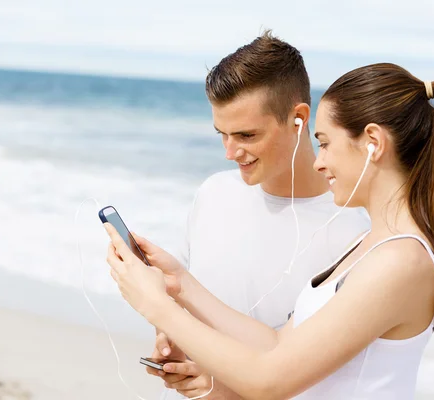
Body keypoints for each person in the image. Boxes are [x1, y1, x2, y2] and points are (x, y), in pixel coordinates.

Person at [107, 62, 434, 399]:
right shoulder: (374, 246)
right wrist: (179, 284)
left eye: (326, 143)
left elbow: (268, 380)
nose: (319, 162)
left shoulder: (402, 261)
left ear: (372, 143)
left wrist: (155, 306)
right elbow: (278, 346)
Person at [145, 31, 370, 399]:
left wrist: (225, 387)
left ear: (298, 119)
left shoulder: (352, 232)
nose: (230, 152)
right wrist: (172, 340)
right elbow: (188, 299)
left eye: (246, 135)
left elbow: (330, 380)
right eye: (222, 134)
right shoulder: (213, 193)